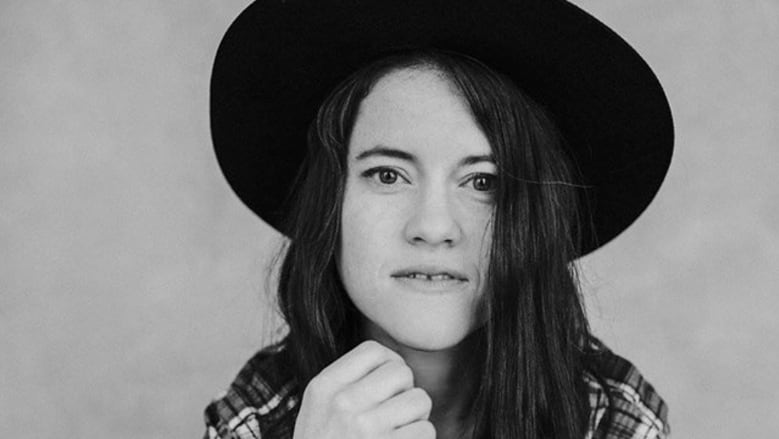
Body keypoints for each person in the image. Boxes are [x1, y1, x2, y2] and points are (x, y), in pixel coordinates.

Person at [204, 1, 673, 438]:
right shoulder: (257, 417)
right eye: (388, 175)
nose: (433, 227)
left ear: (534, 219)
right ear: (331, 202)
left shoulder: (610, 417)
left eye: (483, 182)